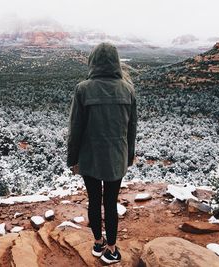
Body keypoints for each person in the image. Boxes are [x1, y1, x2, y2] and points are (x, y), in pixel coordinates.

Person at [67, 42, 137, 264]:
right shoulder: (128, 89)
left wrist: (73, 159)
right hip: (117, 158)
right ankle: (112, 249)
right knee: (111, 202)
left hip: (90, 158)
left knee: (94, 201)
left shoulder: (83, 89)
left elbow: (75, 129)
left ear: (93, 61)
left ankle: (98, 243)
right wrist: (129, 156)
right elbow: (131, 129)